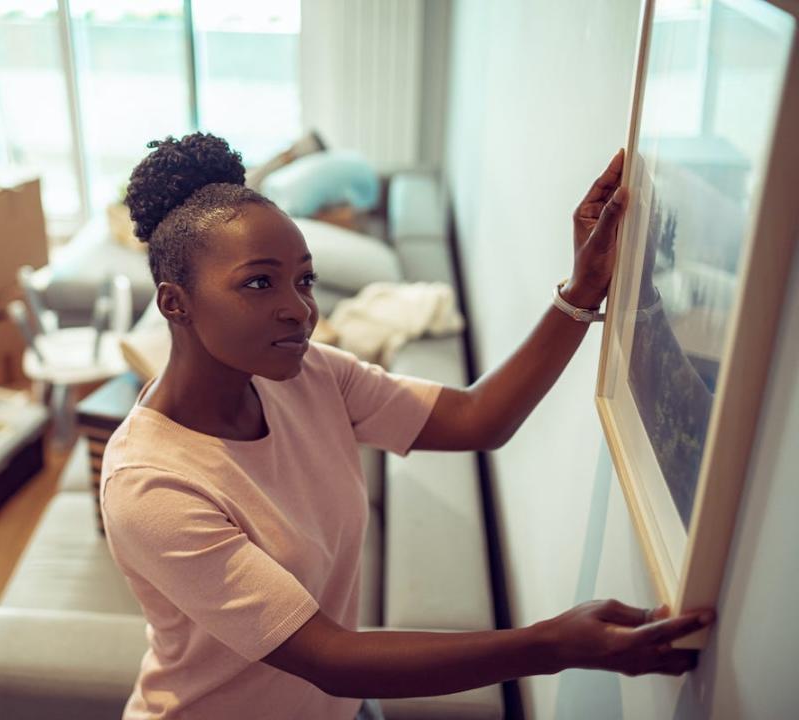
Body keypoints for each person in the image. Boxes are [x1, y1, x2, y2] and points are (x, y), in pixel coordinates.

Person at [100, 132, 715, 720]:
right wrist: (552, 645)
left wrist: (583, 285)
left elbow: (479, 418)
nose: (300, 308)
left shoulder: (311, 374)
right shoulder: (151, 485)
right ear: (174, 302)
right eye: (259, 282)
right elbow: (329, 657)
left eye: (304, 279)